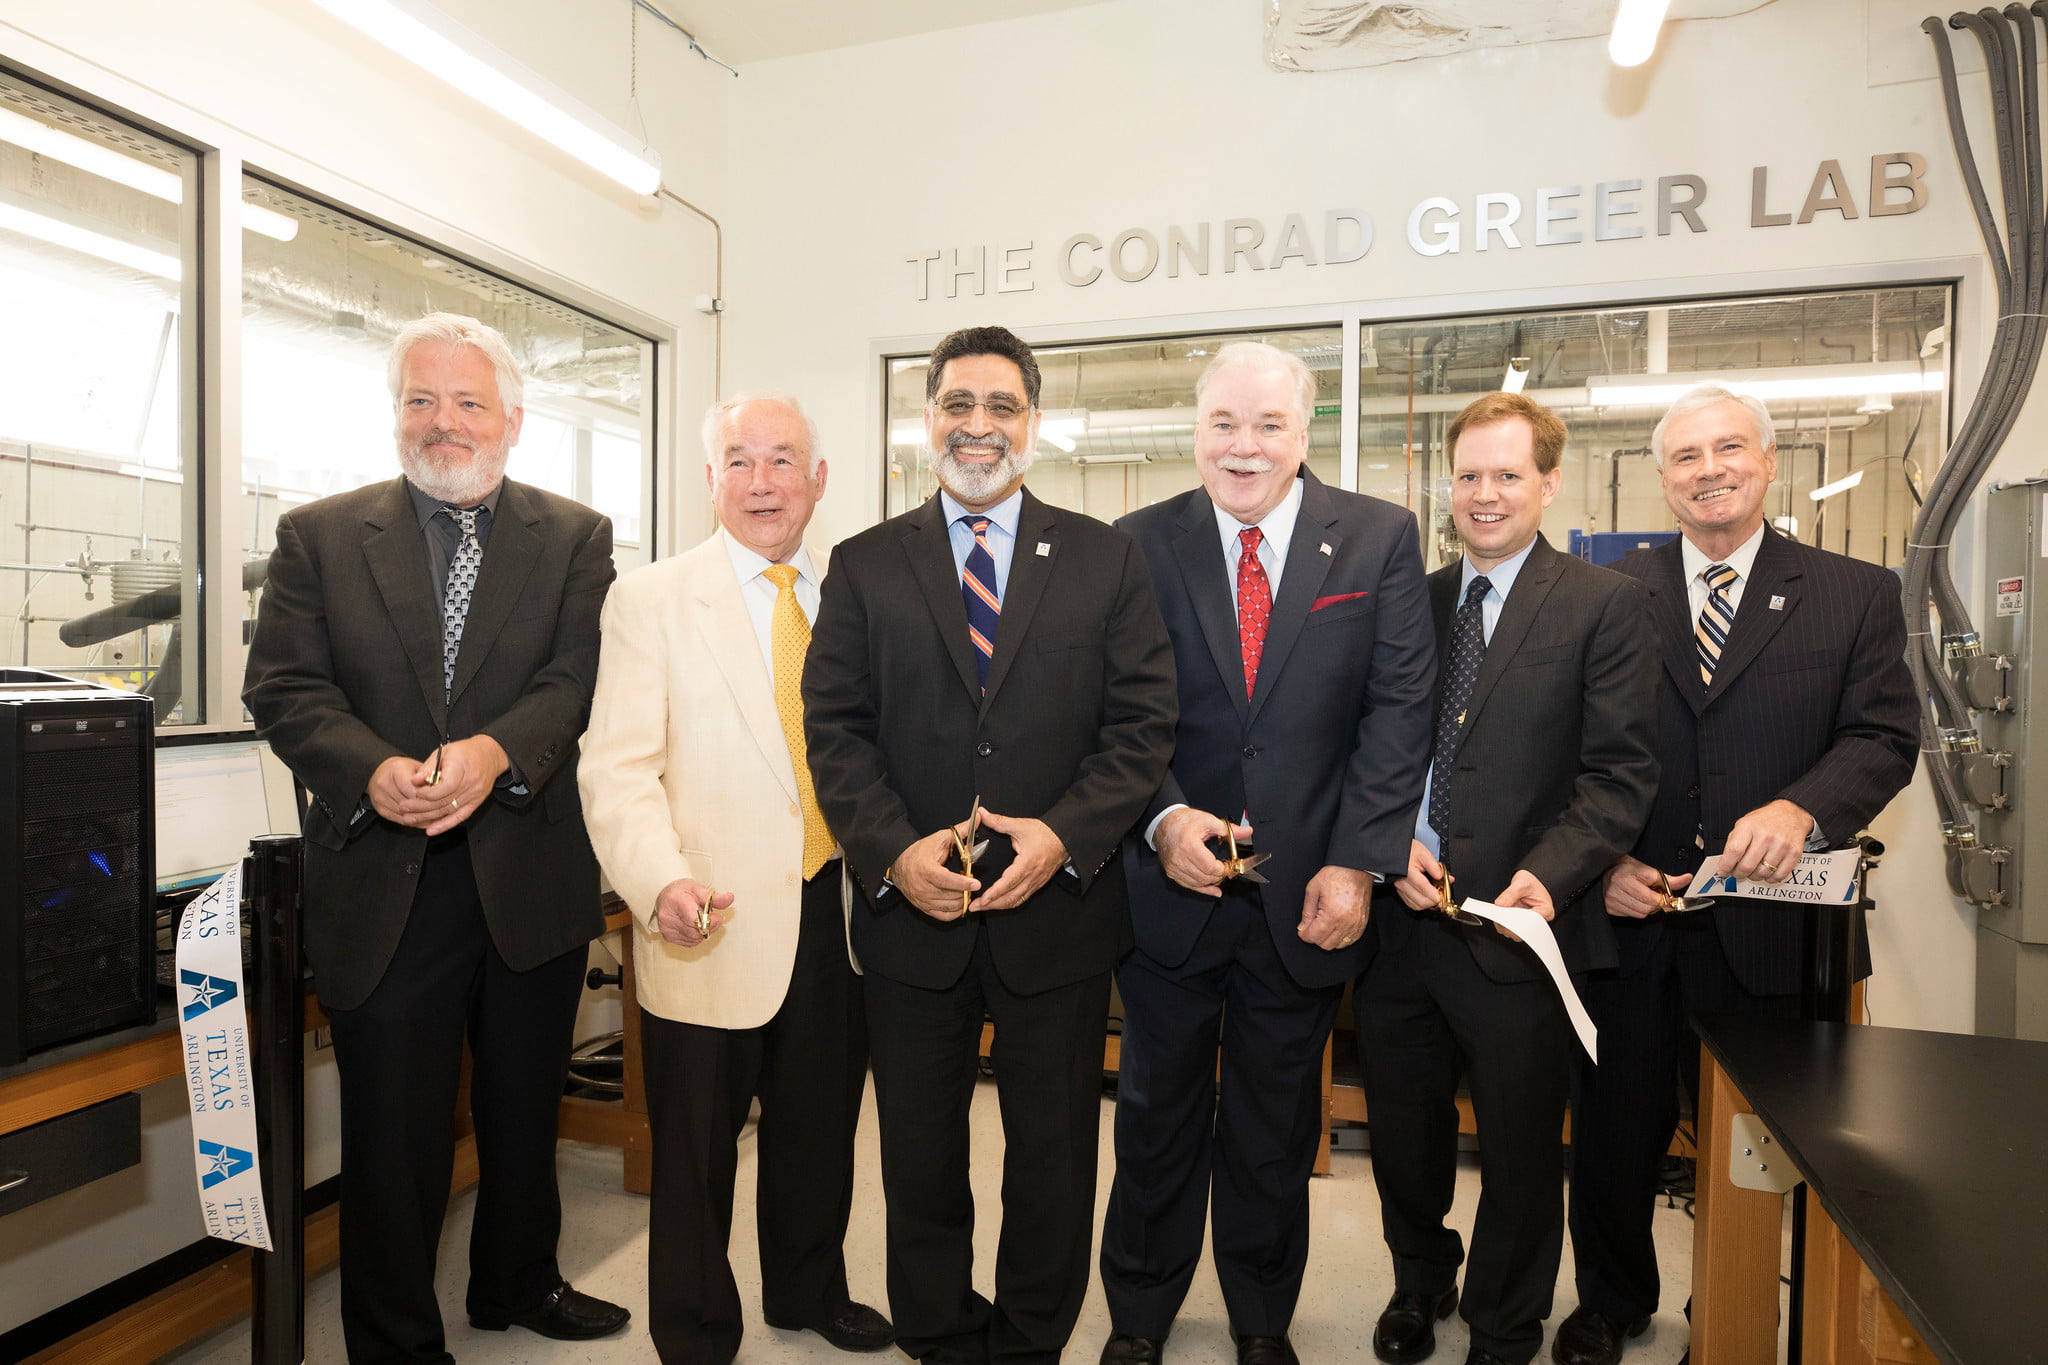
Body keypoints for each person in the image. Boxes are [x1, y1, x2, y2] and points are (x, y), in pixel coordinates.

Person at [244, 312, 626, 1363]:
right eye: (421, 399)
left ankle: (518, 1281)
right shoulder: (319, 537)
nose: (442, 423)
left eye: (467, 402)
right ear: (395, 413)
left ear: (512, 418)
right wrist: (370, 767)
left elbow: (577, 679)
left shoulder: (576, 538)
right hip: (383, 873)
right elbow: (282, 687)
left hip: (526, 868)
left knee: (519, 1109)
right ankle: (395, 1337)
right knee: (396, 1132)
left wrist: (496, 752)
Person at [803, 324, 1178, 1365]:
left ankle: (1027, 1336)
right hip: (910, 918)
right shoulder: (865, 564)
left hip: (1053, 915)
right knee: (919, 1151)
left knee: (1050, 1153)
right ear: (927, 420)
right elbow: (832, 728)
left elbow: (1142, 725)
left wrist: (1062, 838)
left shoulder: (1104, 558)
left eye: (1000, 406)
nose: (978, 427)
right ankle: (935, 1328)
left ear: (1033, 423)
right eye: (957, 405)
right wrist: (889, 852)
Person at [1555, 384, 1918, 1365]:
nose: (1707, 470)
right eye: (1684, 455)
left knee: (1758, 1150)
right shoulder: (1601, 594)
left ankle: (1741, 1309)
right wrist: (1600, 865)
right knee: (1610, 1133)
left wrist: (1802, 808)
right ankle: (1609, 1302)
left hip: (1774, 931)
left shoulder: (1852, 593)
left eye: (1727, 450)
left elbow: (1882, 738)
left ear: (1766, 462)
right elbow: (1556, 752)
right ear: (1659, 476)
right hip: (1626, 920)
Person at [1097, 341, 1436, 1365]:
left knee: (1274, 1124)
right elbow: (1110, 714)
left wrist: (1356, 861)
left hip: (1307, 897)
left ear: (1306, 431)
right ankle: (1139, 1316)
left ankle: (1258, 1316)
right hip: (1170, 891)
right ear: (1193, 429)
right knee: (1152, 1118)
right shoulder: (1135, 544)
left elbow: (1397, 711)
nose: (1243, 448)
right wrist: (1159, 819)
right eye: (1222, 425)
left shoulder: (1375, 539)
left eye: (1268, 426)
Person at [577, 394, 891, 1365]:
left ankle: (807, 1290)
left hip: (835, 915)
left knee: (818, 1132)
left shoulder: (858, 600)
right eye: (739, 462)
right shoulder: (651, 599)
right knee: (695, 1152)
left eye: (783, 460)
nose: (762, 482)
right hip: (702, 914)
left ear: (818, 479)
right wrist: (655, 880)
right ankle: (698, 1329)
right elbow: (616, 766)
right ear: (710, 479)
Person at [1360, 393, 1660, 1365]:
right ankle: (1420, 1278)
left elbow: (1618, 774)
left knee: (1522, 1153)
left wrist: (1547, 873)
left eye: (1505, 475)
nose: (1483, 495)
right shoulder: (1409, 597)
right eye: (1467, 476)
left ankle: (1504, 1320)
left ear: (1546, 481)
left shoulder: (1602, 604)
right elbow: (1376, 743)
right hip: (1402, 921)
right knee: (1402, 1142)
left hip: (1521, 929)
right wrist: (1382, 836)